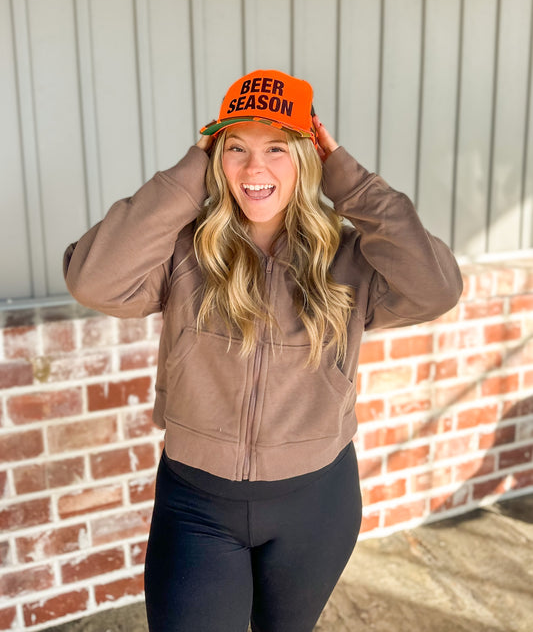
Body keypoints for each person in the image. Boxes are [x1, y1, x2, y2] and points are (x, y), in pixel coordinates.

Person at [63, 69, 463, 632]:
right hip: (197, 505)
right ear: (214, 158)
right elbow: (92, 279)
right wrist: (185, 177)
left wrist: (349, 182)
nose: (255, 169)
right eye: (236, 149)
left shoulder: (350, 259)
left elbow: (437, 287)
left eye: (277, 148)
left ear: (307, 157)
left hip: (317, 503)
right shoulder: (184, 251)